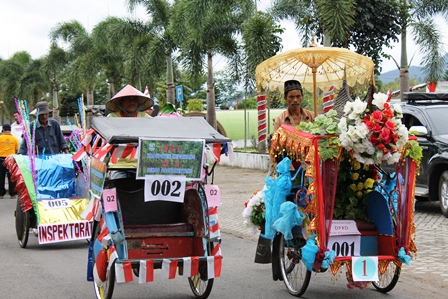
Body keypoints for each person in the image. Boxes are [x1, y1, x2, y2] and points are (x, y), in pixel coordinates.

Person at [0, 124, 19, 198]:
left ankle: (1, 194)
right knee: (11, 177)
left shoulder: (0, 138)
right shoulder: (14, 139)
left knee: (1, 177)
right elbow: (16, 150)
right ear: (10, 130)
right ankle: (12, 193)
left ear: (3, 130)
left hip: (1, 159)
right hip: (11, 158)